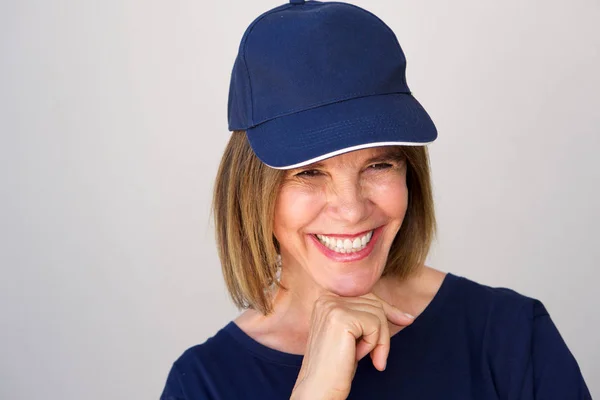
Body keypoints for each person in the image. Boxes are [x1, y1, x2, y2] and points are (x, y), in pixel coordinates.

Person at [160, 1, 591, 399]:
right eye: (309, 172)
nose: (350, 208)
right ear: (251, 188)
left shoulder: (511, 337)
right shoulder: (202, 384)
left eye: (380, 165)